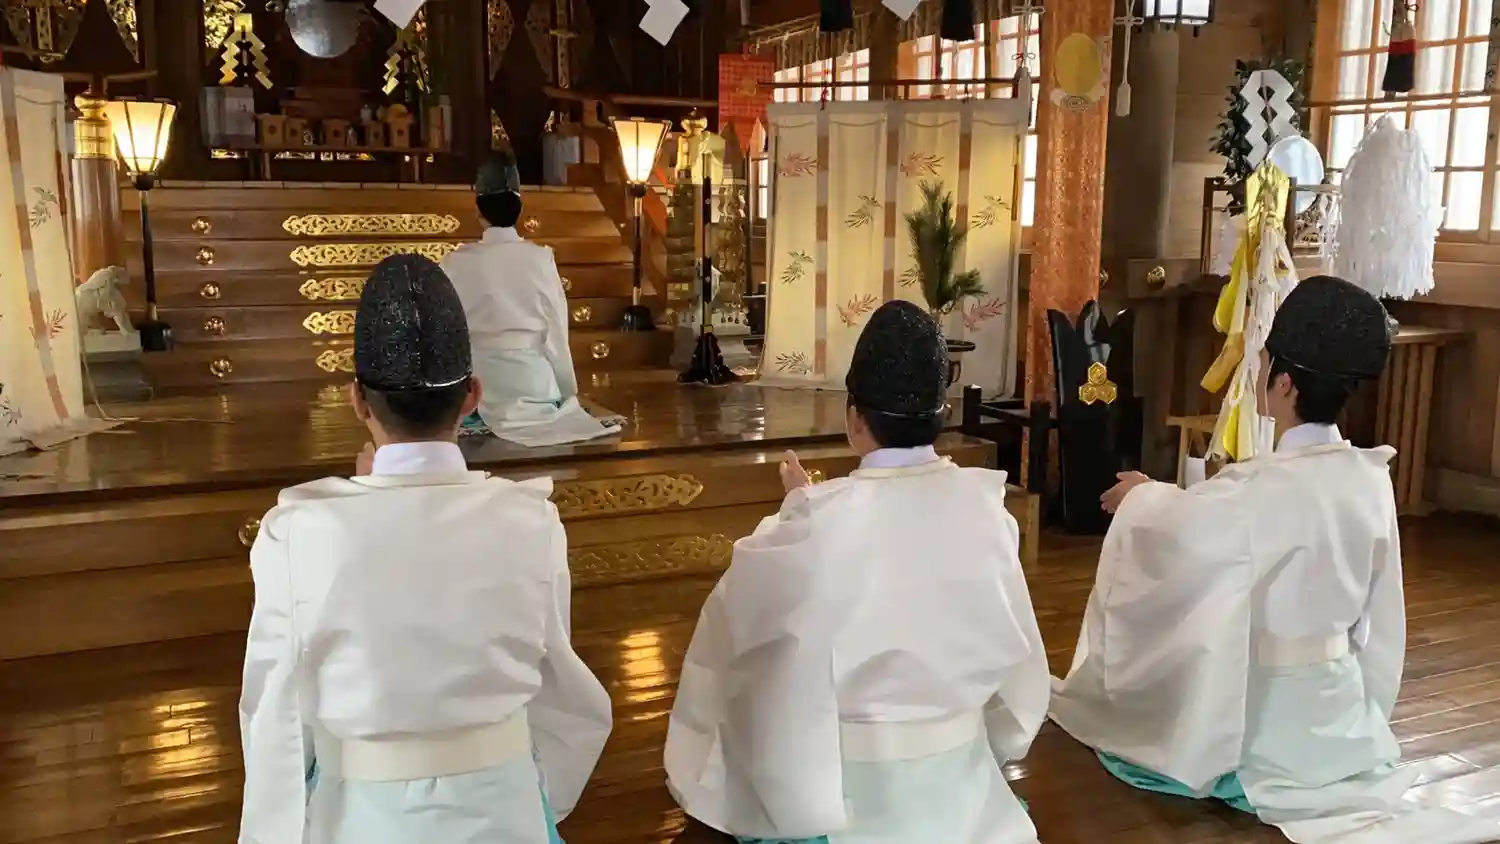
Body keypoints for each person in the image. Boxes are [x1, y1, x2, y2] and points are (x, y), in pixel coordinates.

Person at [1051, 275, 1498, 843]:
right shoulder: (1370, 478)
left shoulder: (1258, 489)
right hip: (1339, 712)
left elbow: (1183, 532)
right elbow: (1380, 618)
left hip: (1266, 714)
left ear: (1284, 383)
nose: (1259, 370)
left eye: (1263, 361)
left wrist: (1141, 496)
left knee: (1137, 726)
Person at [238, 255, 612, 844]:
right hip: (504, 806)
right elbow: (556, 679)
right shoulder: (530, 519)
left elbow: (274, 709)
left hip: (364, 815)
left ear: (358, 401)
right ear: (472, 396)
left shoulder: (299, 532)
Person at [665, 300, 1049, 844]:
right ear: (941, 417)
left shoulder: (820, 521)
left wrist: (796, 510)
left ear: (854, 419)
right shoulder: (988, 508)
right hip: (959, 776)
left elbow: (744, 618)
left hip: (845, 786)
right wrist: (809, 509)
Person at [441, 154, 622, 447]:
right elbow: (555, 327)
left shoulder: (454, 262)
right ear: (520, 209)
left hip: (479, 387)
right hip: (534, 382)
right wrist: (566, 388)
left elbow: (446, 332)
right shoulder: (539, 258)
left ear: (479, 212)